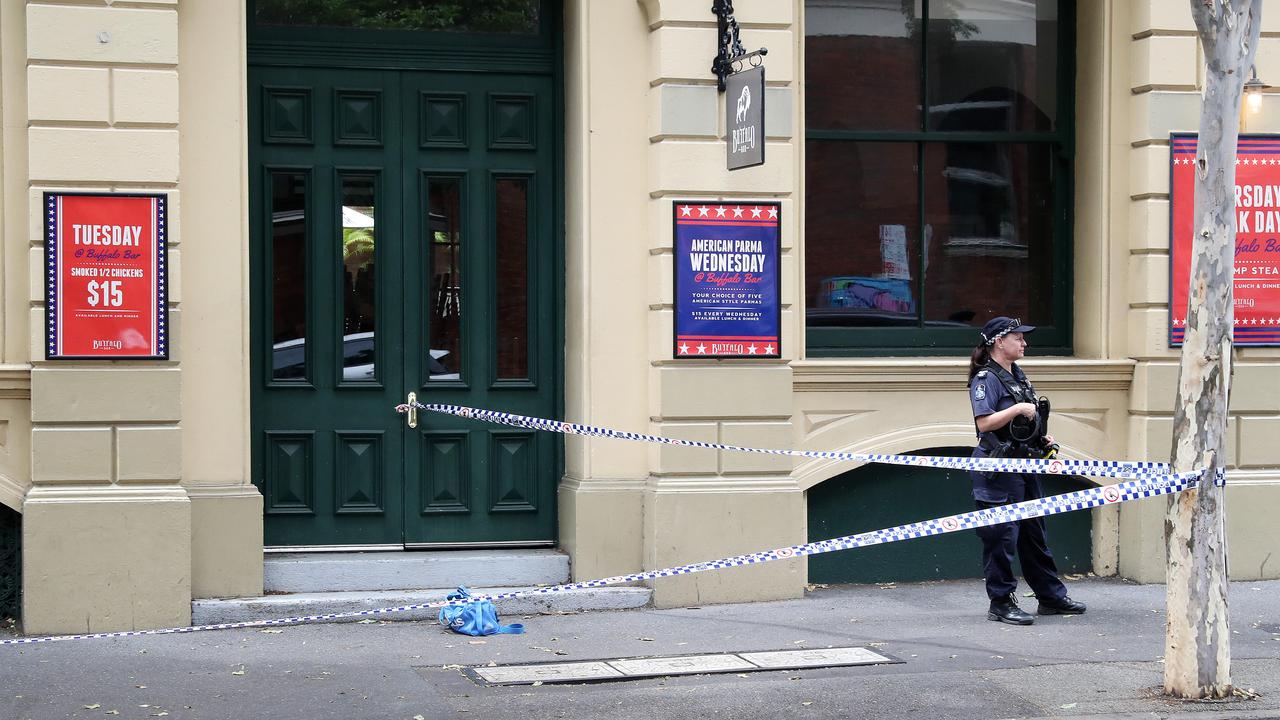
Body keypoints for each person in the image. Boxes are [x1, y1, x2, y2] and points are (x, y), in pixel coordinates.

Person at [967, 316, 1086, 625]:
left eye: (1023, 338)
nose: (1024, 343)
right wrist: (1018, 409)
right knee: (1001, 537)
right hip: (998, 468)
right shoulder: (986, 378)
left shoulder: (1018, 376)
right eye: (1017, 337)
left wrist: (1040, 435)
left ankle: (1050, 597)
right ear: (998, 341)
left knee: (1034, 535)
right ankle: (1001, 602)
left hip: (1025, 464)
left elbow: (1023, 424)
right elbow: (984, 423)